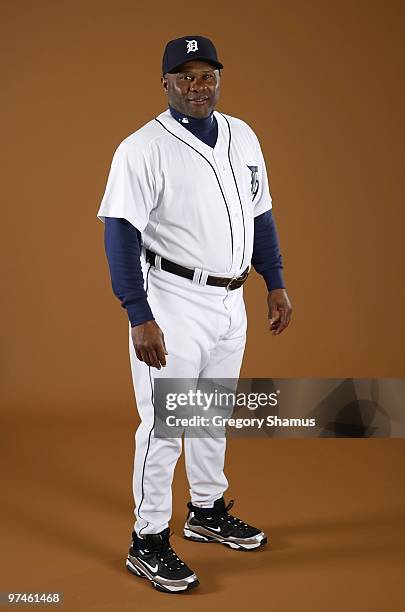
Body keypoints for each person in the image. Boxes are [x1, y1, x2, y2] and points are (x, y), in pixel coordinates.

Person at [97, 35, 292, 593]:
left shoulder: (243, 133)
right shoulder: (140, 148)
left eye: (207, 75)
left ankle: (205, 511)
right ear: (165, 83)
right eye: (185, 76)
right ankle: (148, 539)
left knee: (209, 415)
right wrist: (139, 313)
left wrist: (274, 280)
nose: (198, 85)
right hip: (172, 299)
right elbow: (119, 235)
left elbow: (262, 213)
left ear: (218, 79)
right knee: (165, 425)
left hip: (232, 299)